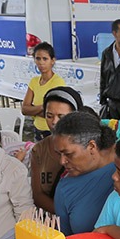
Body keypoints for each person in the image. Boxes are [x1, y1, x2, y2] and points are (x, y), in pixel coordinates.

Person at [52, 111, 117, 236]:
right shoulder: (65, 188)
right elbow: (65, 238)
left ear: (92, 146)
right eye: (59, 154)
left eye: (68, 154)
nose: (62, 161)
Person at [28, 86, 83, 214]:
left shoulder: (88, 147)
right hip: (53, 220)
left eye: (61, 116)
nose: (54, 122)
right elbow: (38, 195)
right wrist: (63, 216)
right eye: (49, 116)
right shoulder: (39, 150)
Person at [20, 42, 65, 140]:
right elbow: (24, 109)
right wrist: (43, 107)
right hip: (37, 131)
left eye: (45, 59)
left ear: (52, 60)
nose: (41, 63)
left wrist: (33, 110)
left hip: (52, 132)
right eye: (38, 58)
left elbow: (57, 114)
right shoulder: (34, 81)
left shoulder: (58, 82)